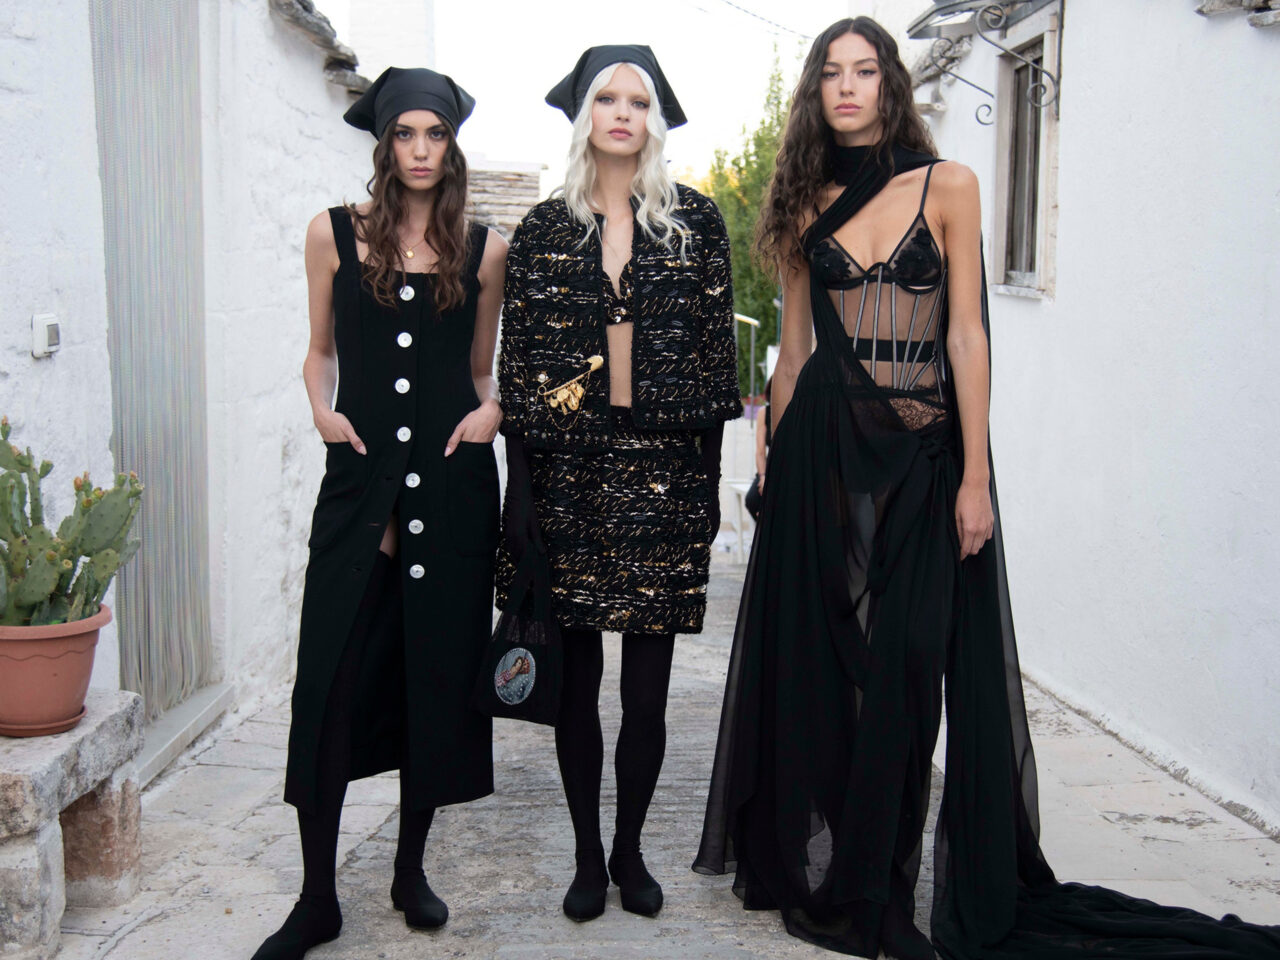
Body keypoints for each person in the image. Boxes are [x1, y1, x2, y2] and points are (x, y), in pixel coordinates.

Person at [692, 17, 1280, 960]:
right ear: (816, 92)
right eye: (832, 73)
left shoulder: (951, 185)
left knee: (908, 670)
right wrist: (771, 457)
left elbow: (965, 335)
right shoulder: (803, 202)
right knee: (822, 669)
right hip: (822, 459)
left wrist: (976, 476)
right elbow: (794, 351)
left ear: (891, 85)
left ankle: (882, 885)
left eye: (865, 71)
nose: (848, 87)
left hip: (927, 460)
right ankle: (837, 877)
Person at [252, 67, 507, 960]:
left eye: (436, 135)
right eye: (406, 134)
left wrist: (493, 411)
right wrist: (321, 411)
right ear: (384, 142)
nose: (421, 151)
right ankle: (317, 897)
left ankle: (409, 870)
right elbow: (319, 351)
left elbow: (482, 369)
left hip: (451, 489)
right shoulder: (332, 234)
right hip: (359, 493)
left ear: (452, 146)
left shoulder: (483, 250)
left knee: (432, 682)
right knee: (327, 686)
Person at [497, 44, 741, 923]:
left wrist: (707, 488)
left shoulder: (696, 223)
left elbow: (716, 366)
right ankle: (584, 856)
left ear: (654, 120)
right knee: (576, 687)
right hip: (569, 477)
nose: (624, 115)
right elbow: (521, 374)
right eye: (609, 99)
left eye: (639, 101)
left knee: (646, 694)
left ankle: (631, 851)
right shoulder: (541, 231)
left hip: (665, 479)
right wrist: (521, 499)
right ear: (586, 115)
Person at [743, 375, 773, 522]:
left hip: (791, 468)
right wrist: (763, 476)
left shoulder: (797, 411)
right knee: (752, 500)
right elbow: (760, 452)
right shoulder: (765, 412)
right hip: (770, 468)